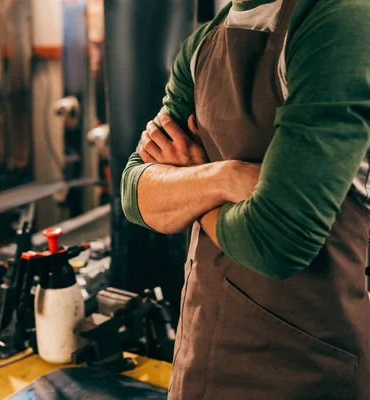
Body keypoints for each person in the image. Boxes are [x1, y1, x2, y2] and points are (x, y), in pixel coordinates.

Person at [121, 0, 370, 398]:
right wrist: (225, 177)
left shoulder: (339, 19)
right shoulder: (202, 44)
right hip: (200, 358)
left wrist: (185, 185)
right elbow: (134, 194)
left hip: (306, 371)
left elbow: (275, 241)